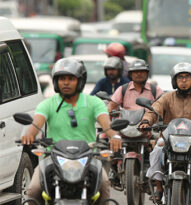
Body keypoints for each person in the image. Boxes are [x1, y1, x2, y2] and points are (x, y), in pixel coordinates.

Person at [21, 58, 122, 205]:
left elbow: (106, 126)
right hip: (52, 157)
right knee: (34, 189)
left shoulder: (94, 102)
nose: (66, 83)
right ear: (56, 81)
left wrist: (115, 136)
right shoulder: (47, 104)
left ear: (80, 81)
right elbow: (36, 124)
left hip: (88, 157)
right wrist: (29, 135)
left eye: (70, 79)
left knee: (104, 185)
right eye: (62, 79)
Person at [139, 62, 191, 204]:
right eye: (180, 78)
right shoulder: (166, 97)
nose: (183, 81)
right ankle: (158, 188)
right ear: (174, 80)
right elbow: (154, 110)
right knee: (156, 151)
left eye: (187, 77)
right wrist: (146, 121)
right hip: (168, 139)